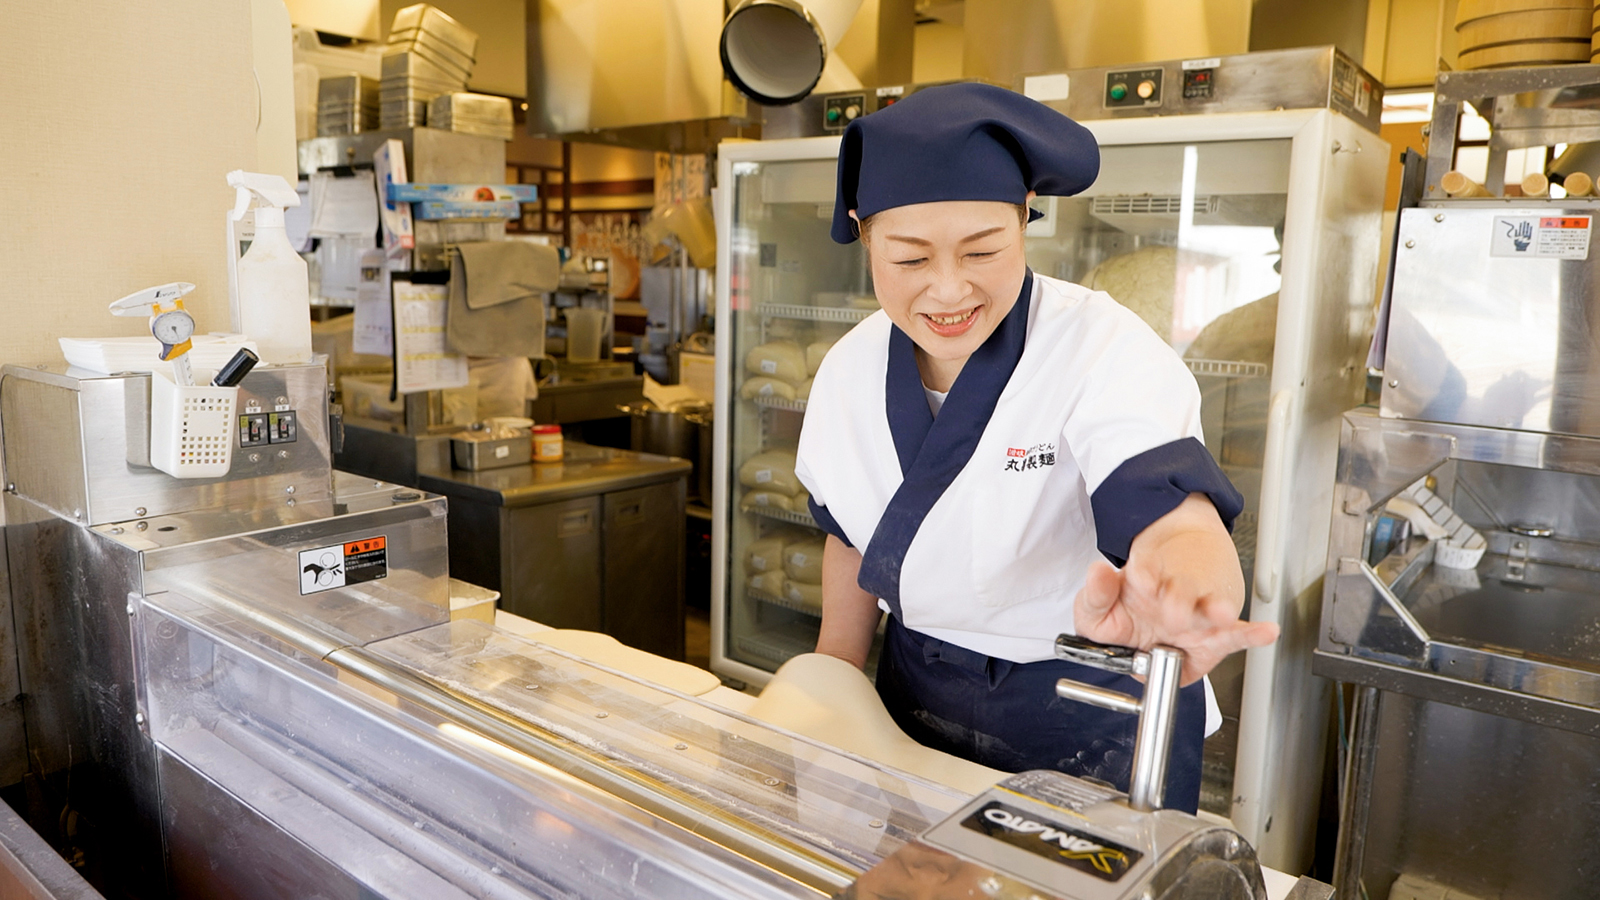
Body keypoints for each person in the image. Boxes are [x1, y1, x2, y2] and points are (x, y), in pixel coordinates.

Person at [793, 83, 1279, 814]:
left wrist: (1189, 599)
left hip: (1087, 705)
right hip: (916, 691)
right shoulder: (849, 369)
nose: (948, 290)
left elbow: (1173, 514)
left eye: (983, 250)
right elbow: (852, 536)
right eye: (909, 260)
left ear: (1025, 216)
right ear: (864, 235)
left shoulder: (1099, 345)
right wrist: (833, 674)